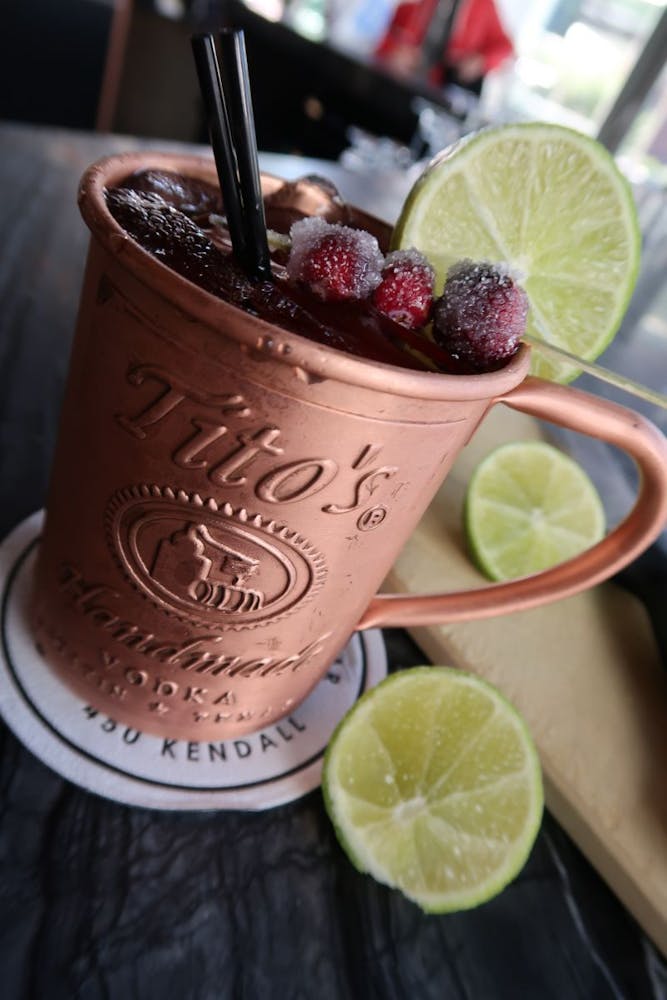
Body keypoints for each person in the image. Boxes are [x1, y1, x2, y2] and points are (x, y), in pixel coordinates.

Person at [375, 0, 514, 96]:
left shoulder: (484, 5)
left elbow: (505, 47)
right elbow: (388, 29)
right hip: (406, 78)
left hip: (446, 89)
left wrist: (481, 61)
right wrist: (394, 50)